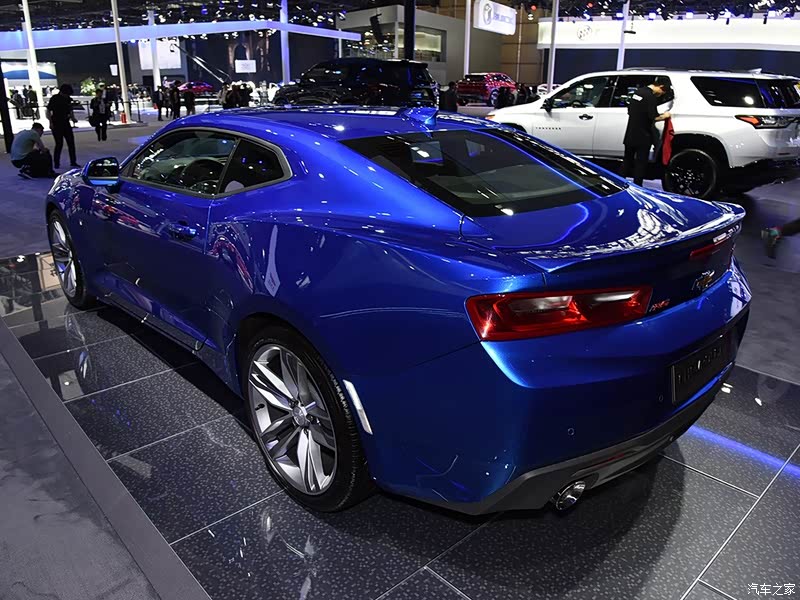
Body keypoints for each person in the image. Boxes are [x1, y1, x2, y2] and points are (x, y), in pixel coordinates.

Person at [623, 77, 672, 186]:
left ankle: (619, 184)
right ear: (661, 87)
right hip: (643, 136)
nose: (661, 94)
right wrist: (665, 116)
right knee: (640, 164)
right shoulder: (650, 97)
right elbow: (653, 116)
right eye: (663, 92)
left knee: (627, 161)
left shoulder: (638, 92)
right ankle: (637, 187)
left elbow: (630, 110)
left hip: (630, 133)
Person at [46, 84, 79, 170]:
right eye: (66, 94)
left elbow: (70, 110)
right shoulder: (54, 98)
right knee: (59, 144)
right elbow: (48, 111)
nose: (67, 96)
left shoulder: (68, 99)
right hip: (56, 123)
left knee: (71, 143)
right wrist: (50, 122)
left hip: (66, 122)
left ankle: (73, 161)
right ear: (62, 92)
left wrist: (73, 118)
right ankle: (56, 162)